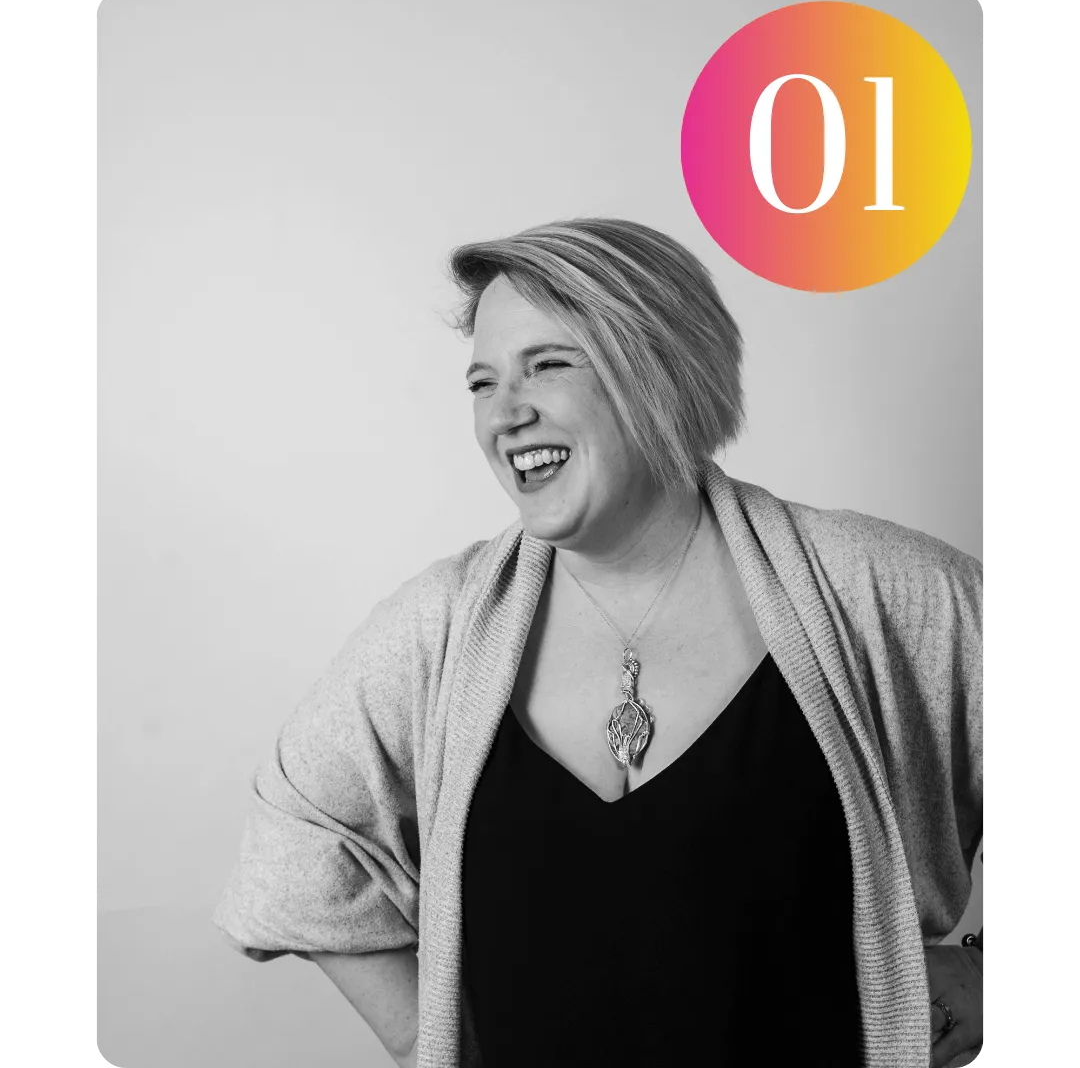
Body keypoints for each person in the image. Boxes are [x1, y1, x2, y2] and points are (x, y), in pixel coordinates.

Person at [214, 218, 984, 1068]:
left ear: (663, 371)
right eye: (481, 382)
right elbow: (292, 840)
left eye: (547, 364)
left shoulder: (885, 590)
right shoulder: (438, 626)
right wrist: (431, 1040)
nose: (504, 414)